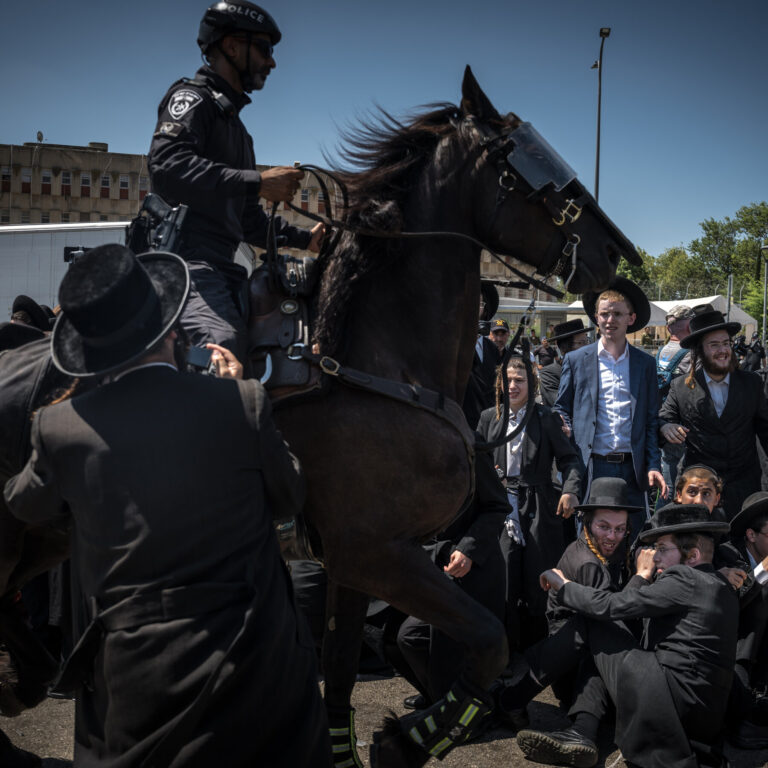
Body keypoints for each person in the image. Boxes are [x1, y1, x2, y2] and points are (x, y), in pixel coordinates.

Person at [3, 244, 331, 767]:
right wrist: (239, 390)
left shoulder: (60, 428)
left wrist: (67, 416)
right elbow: (289, 493)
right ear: (172, 331)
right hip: (259, 670)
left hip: (140, 683)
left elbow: (25, 504)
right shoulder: (240, 403)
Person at [148, 2, 324, 365]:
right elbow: (167, 165)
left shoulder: (240, 134)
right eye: (264, 49)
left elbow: (248, 222)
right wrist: (258, 182)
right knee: (222, 345)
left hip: (225, 269)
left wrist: (307, 239)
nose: (271, 62)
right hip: (184, 266)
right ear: (231, 46)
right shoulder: (192, 99)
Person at [499, 503, 736, 768]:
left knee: (594, 622)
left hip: (666, 703)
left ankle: (511, 701)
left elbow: (612, 606)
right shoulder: (720, 584)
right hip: (699, 721)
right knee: (607, 639)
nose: (655, 557)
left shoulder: (684, 578)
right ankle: (581, 731)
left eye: (662, 549)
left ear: (692, 556)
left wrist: (564, 586)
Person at [390, 445, 508, 709]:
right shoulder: (402, 447)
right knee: (400, 638)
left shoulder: (470, 448)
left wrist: (468, 550)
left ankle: (457, 713)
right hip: (429, 568)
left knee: (438, 641)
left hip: (473, 568)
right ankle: (438, 696)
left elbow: (498, 505)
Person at [478, 356, 583, 649]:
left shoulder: (545, 417)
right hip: (500, 506)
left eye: (519, 380)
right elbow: (478, 460)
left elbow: (570, 459)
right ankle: (506, 651)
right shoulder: (489, 417)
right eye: (507, 380)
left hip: (538, 505)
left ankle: (540, 649)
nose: (512, 386)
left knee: (539, 576)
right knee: (505, 578)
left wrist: (570, 490)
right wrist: (491, 479)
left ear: (531, 383)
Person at [554, 277, 666, 538]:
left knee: (634, 538)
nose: (610, 320)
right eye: (604, 314)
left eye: (617, 313)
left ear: (631, 318)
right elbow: (561, 408)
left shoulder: (645, 364)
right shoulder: (576, 360)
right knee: (591, 538)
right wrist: (564, 426)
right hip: (591, 466)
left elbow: (651, 420)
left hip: (632, 467)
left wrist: (653, 465)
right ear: (595, 317)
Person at [659, 308, 768, 520]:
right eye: (714, 345)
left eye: (726, 343)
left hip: (744, 487)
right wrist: (666, 426)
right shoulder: (681, 387)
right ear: (700, 351)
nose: (723, 350)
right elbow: (664, 417)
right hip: (700, 490)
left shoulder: (752, 383)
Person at [724, 492, 768, 748]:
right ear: (751, 535)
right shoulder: (729, 553)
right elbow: (735, 602)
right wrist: (764, 568)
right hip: (734, 639)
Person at [656, 305, 695, 494]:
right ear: (688, 324)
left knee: (667, 472)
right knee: (679, 481)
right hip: (681, 425)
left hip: (662, 421)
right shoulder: (691, 353)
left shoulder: (661, 351)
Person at [538, 320, 589, 408]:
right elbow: (561, 405)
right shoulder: (549, 374)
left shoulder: (593, 368)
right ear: (563, 347)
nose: (587, 347)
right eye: (581, 343)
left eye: (587, 342)